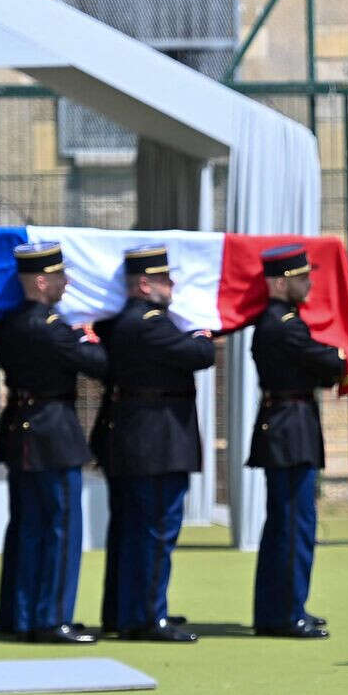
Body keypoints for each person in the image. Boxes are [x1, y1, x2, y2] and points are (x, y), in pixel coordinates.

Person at [95, 245, 215, 642]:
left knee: (132, 530)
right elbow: (200, 353)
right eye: (164, 279)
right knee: (156, 530)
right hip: (156, 442)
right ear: (144, 284)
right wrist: (199, 326)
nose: (172, 285)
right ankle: (147, 616)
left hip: (137, 439)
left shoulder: (124, 322)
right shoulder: (148, 323)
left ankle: (125, 612)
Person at [0, 242, 107, 643]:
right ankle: (52, 618)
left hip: (19, 430)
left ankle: (20, 616)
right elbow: (98, 366)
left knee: (26, 527)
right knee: (61, 528)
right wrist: (91, 337)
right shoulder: (52, 328)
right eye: (60, 276)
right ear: (42, 281)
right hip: (52, 432)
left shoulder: (7, 324)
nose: (67, 282)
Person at [247, 244, 347, 638]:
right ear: (277, 283)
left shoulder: (285, 321)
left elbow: (316, 371)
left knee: (287, 524)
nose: (307, 283)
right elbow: (325, 363)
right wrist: (341, 355)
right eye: (299, 277)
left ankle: (281, 608)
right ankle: (286, 613)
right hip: (289, 428)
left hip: (292, 422)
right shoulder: (282, 324)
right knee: (293, 525)